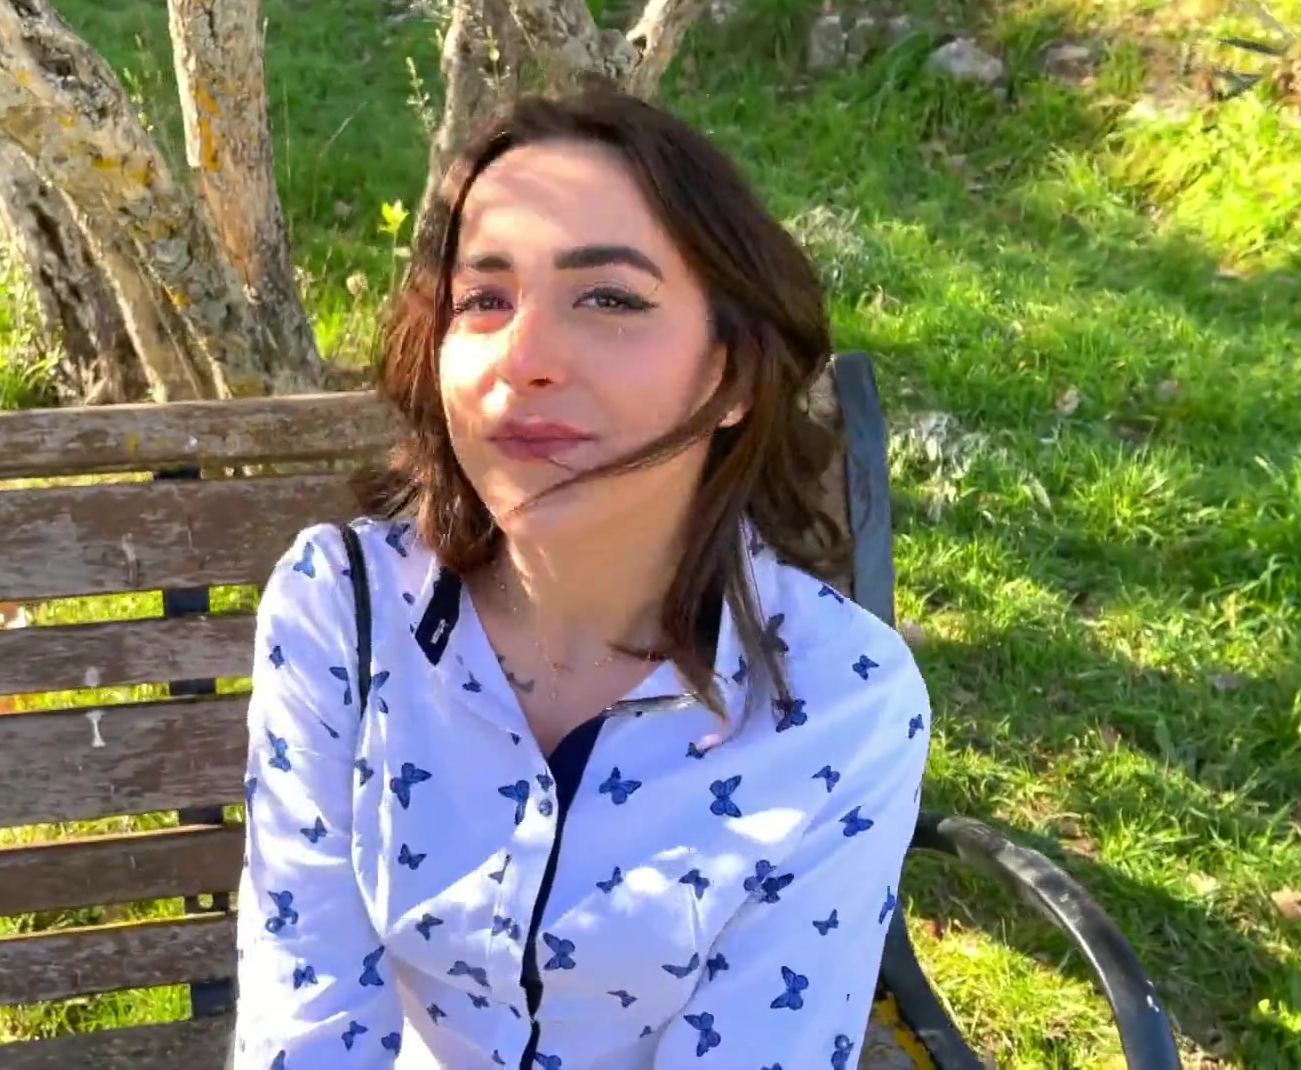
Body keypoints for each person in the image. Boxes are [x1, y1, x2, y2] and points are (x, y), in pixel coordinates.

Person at [231, 84, 932, 1069]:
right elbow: (306, 1031)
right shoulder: (342, 612)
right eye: (484, 300)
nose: (524, 358)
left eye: (609, 299)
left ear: (732, 373)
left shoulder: (839, 699)